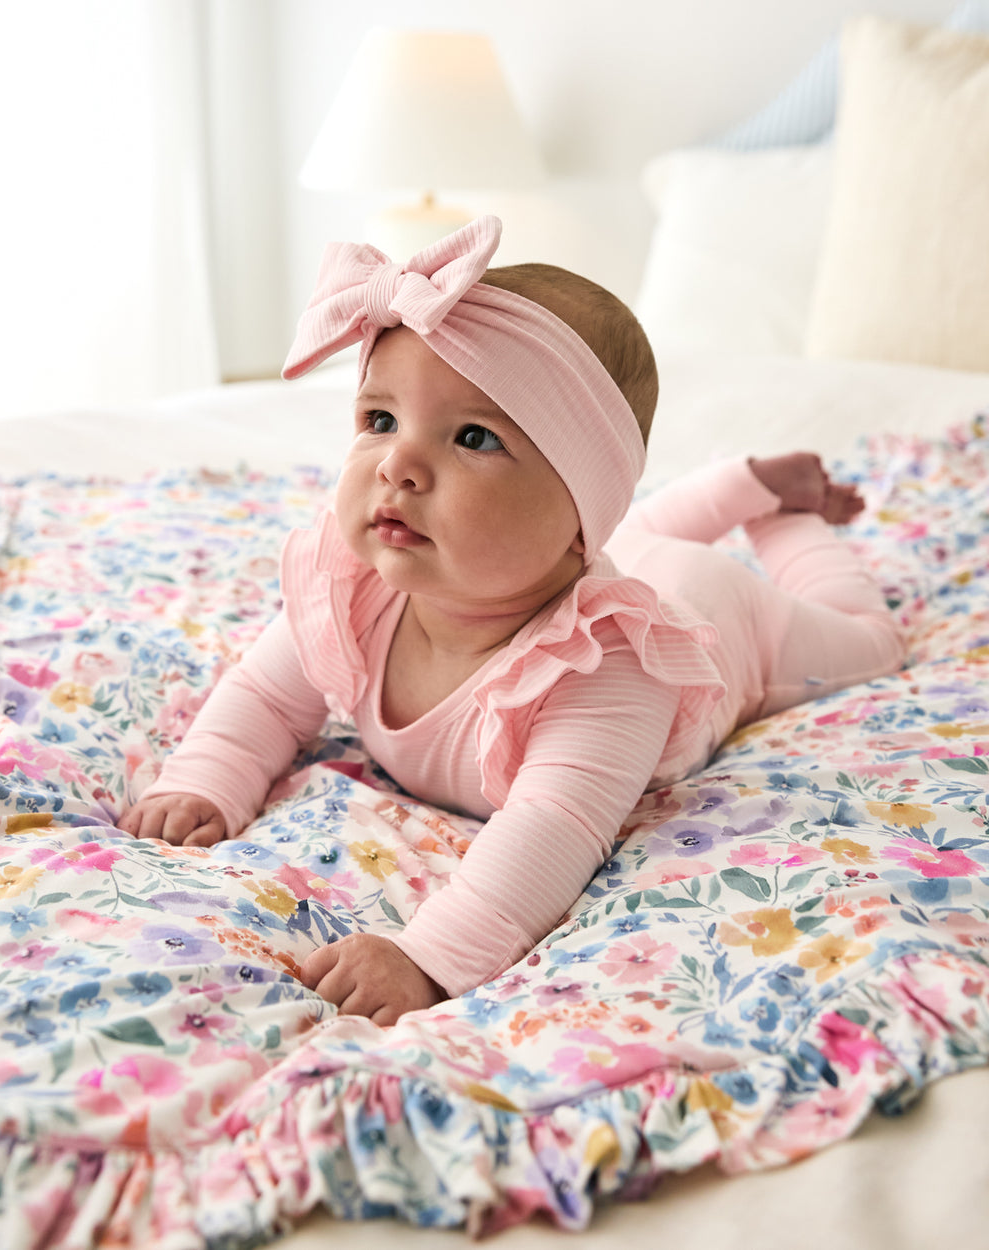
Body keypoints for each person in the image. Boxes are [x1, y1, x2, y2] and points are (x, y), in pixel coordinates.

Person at [117, 216, 905, 1025]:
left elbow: (553, 826)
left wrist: (428, 959)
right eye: (380, 420)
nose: (398, 464)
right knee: (641, 537)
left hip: (724, 615)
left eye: (473, 437)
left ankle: (784, 515)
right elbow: (267, 695)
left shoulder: (609, 663)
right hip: (614, 545)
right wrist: (206, 778)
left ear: (577, 514)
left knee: (873, 641)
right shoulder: (357, 588)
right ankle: (738, 482)